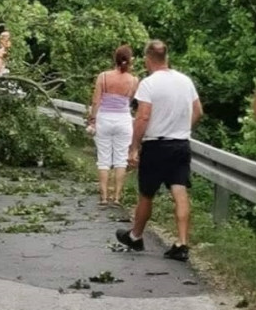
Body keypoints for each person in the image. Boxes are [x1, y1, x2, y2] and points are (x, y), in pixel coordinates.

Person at [116, 40, 203, 262]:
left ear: (147, 59)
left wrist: (134, 147)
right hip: (180, 144)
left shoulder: (149, 84)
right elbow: (198, 111)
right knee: (180, 190)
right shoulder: (185, 81)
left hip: (156, 145)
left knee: (147, 193)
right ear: (167, 57)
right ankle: (182, 243)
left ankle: (136, 236)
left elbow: (143, 116)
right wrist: (184, 129)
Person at [87, 45, 138, 206]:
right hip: (123, 119)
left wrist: (92, 119)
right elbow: (130, 101)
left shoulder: (103, 77)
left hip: (104, 119)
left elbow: (96, 101)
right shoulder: (134, 80)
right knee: (121, 159)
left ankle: (103, 197)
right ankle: (117, 197)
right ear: (130, 60)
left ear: (114, 59)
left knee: (103, 159)